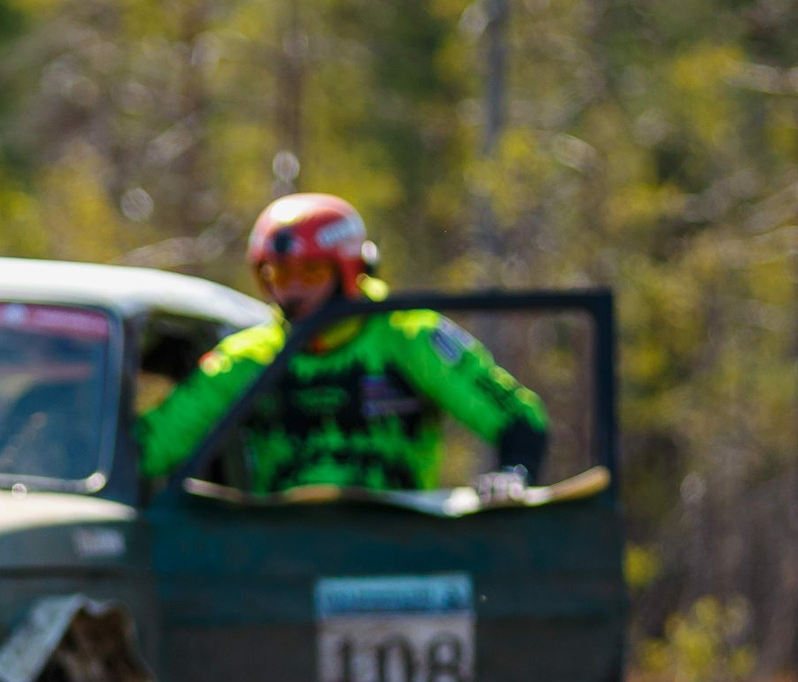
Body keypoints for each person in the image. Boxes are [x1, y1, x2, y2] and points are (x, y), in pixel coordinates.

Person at [136, 193, 549, 497]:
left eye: (311, 272)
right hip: (278, 557)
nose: (293, 290)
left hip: (397, 548)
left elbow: (518, 417)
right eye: (278, 275)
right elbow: (153, 446)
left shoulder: (409, 336)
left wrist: (513, 473)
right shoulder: (249, 357)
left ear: (349, 271)